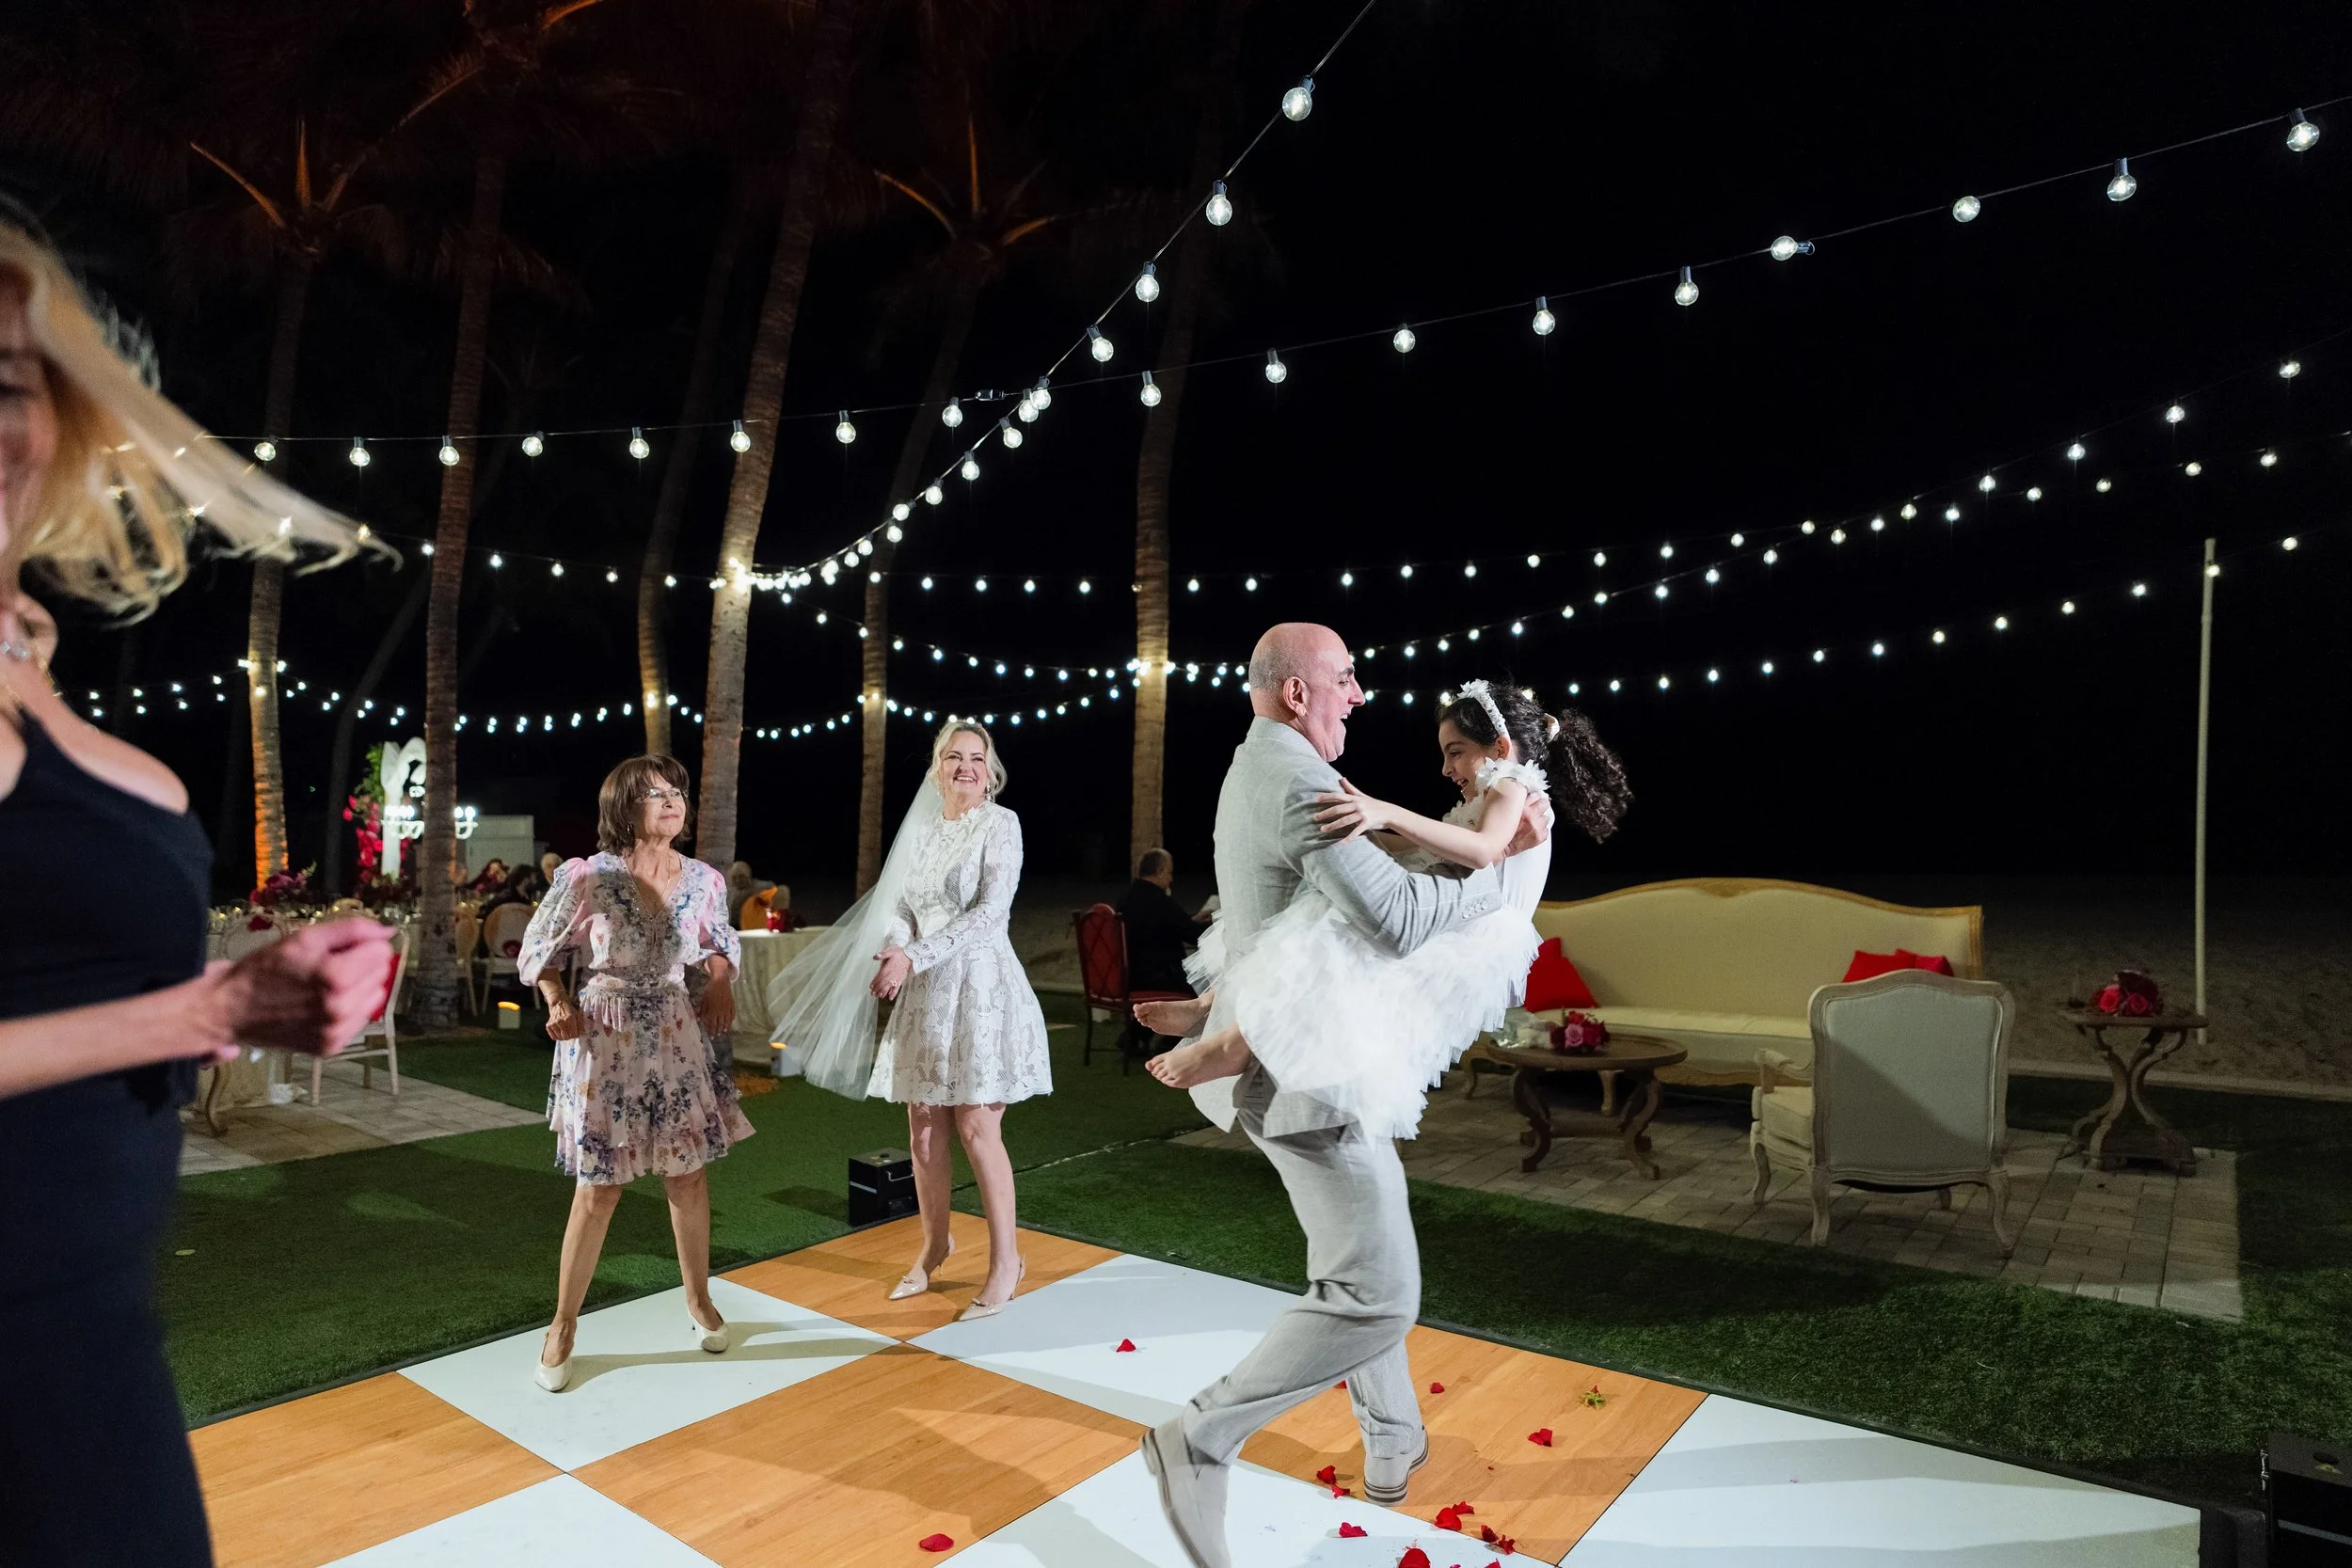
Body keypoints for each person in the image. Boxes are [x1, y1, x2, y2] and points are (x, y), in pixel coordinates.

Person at [0, 217, 394, 1566]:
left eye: (4, 382)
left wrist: (268, 986)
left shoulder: (27, 658)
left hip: (91, 1343)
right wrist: (202, 1007)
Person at [1130, 625, 1553, 1568]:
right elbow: (1397, 919)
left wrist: (1210, 1003)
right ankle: (1196, 1438)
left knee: (1357, 1262)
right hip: (1309, 1071)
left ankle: (1394, 1441)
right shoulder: (1303, 779)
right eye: (1347, 678)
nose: (1359, 694)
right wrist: (1504, 888)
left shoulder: (1253, 763)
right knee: (1379, 1291)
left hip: (1300, 1055)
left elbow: (1286, 917)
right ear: (1294, 692)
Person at [1143, 680, 1629, 1139]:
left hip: (1479, 933)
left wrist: (1385, 810)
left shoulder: (1513, 784)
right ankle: (1210, 1007)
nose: (1446, 769)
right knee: (1314, 915)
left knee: (1332, 940)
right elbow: (1429, 851)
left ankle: (1236, 1043)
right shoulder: (1491, 790)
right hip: (1460, 916)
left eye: (1455, 752)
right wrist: (1368, 830)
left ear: (1500, 747)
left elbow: (1482, 851)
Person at [770, 719, 1050, 1321]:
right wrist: (896, 950)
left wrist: (912, 955)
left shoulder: (1001, 825)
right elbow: (897, 907)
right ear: (937, 766)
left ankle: (1007, 1263)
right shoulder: (921, 832)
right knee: (923, 1128)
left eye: (977, 758)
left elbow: (989, 915)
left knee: (977, 1128)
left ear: (990, 768)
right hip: (925, 994)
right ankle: (935, 1245)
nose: (966, 767)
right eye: (955, 757)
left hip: (980, 990)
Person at [518, 754, 750, 1392]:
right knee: (600, 1187)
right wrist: (558, 998)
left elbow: (719, 942)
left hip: (675, 1031)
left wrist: (722, 982)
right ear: (625, 806)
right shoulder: (589, 875)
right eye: (656, 792)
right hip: (606, 1033)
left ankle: (698, 1299)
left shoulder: (704, 878)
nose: (673, 800)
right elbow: (539, 952)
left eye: (677, 790)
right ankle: (563, 1324)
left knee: (688, 1174)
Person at [1115, 847, 1200, 994]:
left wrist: (1191, 920)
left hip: (1131, 980)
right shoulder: (1159, 901)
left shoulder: (1125, 899)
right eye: (1169, 873)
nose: (1171, 879)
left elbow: (1163, 925)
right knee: (1209, 986)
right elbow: (1194, 935)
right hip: (1161, 981)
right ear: (1160, 871)